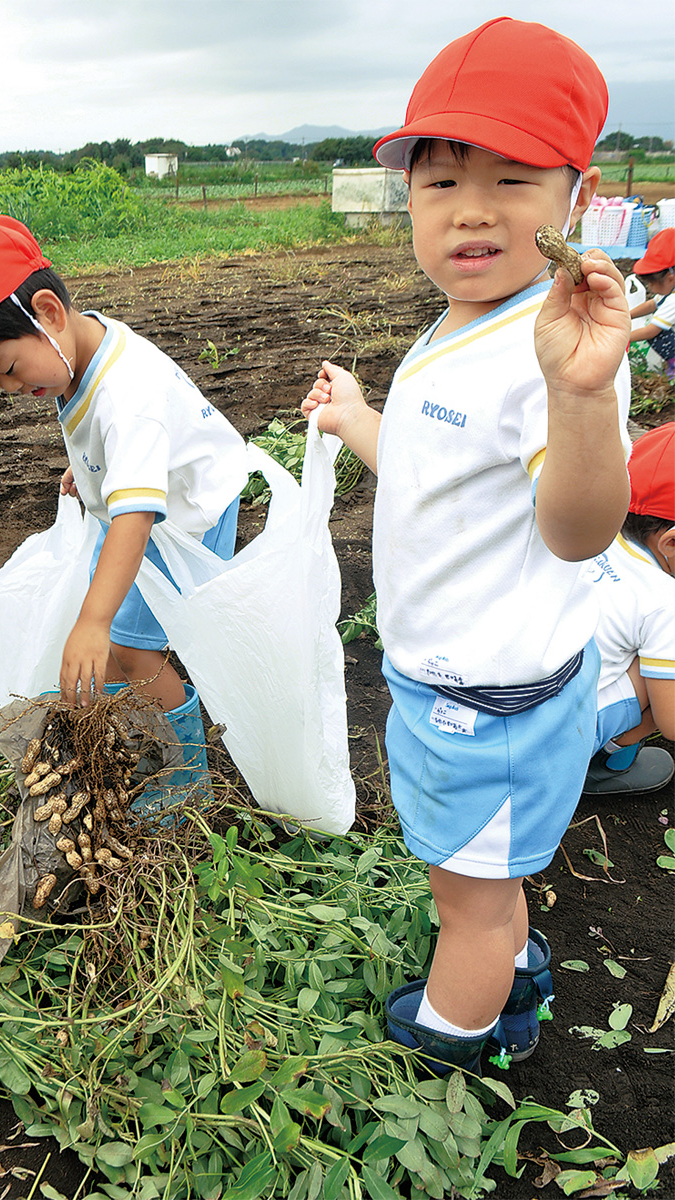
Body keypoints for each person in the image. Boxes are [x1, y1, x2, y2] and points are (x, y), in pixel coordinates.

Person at [302, 17, 632, 1074]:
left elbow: (578, 531)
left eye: (513, 178)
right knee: (480, 876)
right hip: (458, 684)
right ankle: (511, 961)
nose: (472, 210)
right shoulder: (461, 321)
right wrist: (360, 420)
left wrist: (580, 402)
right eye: (441, 181)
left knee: (470, 904)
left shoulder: (556, 351)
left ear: (572, 200)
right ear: (407, 198)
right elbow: (444, 476)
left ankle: (445, 1048)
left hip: (486, 708)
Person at [0, 215, 248, 792]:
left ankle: (186, 784)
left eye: (10, 369)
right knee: (113, 641)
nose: (11, 389)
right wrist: (95, 465)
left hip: (187, 513)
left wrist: (93, 622)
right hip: (141, 502)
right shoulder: (77, 350)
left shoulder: (129, 395)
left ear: (47, 312)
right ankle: (133, 737)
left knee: (128, 647)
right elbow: (115, 435)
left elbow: (136, 509)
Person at [583, 422, 675, 794]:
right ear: (671, 543)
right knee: (663, 678)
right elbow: (672, 725)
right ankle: (603, 765)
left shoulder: (585, 531)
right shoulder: (664, 601)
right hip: (550, 738)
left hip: (497, 703)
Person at [627, 229, 675, 377]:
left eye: (651, 283)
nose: (650, 287)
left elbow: (651, 331)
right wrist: (626, 315)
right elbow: (651, 305)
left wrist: (621, 337)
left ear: (670, 278)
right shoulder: (669, 291)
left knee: (658, 333)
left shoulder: (673, 300)